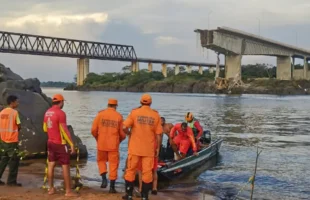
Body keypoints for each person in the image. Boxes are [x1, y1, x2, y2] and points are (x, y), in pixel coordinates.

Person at [122, 93, 162, 200]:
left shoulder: (134, 113)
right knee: (147, 173)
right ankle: (145, 196)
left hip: (135, 148)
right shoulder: (155, 115)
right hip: (148, 150)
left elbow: (124, 126)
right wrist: (157, 148)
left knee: (130, 170)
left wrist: (129, 133)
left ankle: (129, 195)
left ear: (140, 102)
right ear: (150, 103)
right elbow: (158, 134)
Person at [43, 94, 78, 197]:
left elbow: (45, 128)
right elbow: (64, 130)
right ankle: (68, 191)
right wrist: (71, 144)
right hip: (60, 143)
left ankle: (51, 189)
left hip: (50, 142)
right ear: (61, 102)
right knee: (65, 166)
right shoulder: (61, 113)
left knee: (51, 165)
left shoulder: (47, 112)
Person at [91, 98, 126, 193]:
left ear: (108, 105)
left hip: (101, 144)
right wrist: (119, 141)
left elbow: (93, 130)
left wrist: (98, 139)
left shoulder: (100, 115)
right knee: (113, 165)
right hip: (113, 145)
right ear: (116, 106)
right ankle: (112, 187)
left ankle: (103, 179)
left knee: (101, 161)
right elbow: (122, 134)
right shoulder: (119, 116)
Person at [0, 95, 22, 186]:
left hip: (3, 140)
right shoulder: (14, 113)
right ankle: (11, 181)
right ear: (12, 102)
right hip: (12, 140)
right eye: (17, 101)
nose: (18, 103)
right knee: (14, 161)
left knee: (4, 160)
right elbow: (19, 125)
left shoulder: (1, 112)